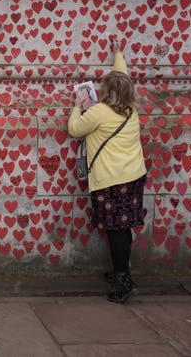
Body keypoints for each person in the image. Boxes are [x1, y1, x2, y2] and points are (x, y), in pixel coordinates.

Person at [67, 38, 147, 304]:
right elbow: (122, 76)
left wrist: (78, 104)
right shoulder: (131, 109)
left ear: (109, 92)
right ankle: (121, 272)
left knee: (116, 229)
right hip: (134, 176)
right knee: (123, 228)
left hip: (112, 181)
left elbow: (74, 129)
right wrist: (118, 53)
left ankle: (123, 281)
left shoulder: (99, 112)